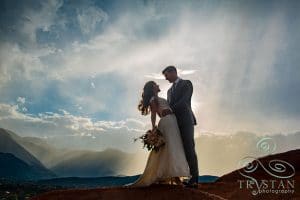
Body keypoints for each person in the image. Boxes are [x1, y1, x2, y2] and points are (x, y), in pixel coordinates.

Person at [126, 81, 190, 187]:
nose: (158, 85)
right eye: (155, 84)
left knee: (174, 147)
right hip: (167, 122)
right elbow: (154, 113)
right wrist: (153, 127)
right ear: (152, 88)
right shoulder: (153, 99)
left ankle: (171, 175)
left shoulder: (157, 97)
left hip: (172, 121)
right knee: (171, 147)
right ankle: (176, 178)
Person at [162, 65, 199, 188]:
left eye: (167, 75)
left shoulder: (186, 84)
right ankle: (186, 176)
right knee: (179, 149)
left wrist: (170, 109)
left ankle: (194, 179)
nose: (166, 79)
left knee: (189, 147)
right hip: (174, 124)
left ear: (173, 72)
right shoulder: (168, 91)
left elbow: (184, 101)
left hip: (186, 121)